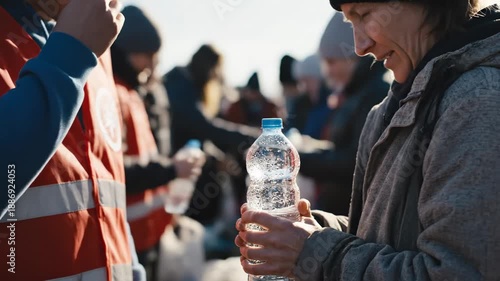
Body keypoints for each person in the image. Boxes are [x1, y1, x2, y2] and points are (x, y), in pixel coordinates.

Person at [236, 1, 500, 280]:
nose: (360, 47)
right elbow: (383, 238)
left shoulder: (478, 102)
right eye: (351, 22)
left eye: (365, 15)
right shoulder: (387, 110)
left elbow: (456, 272)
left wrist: (314, 252)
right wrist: (311, 231)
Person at [0, 0, 145, 280]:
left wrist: (134, 271)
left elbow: (106, 194)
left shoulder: (94, 42)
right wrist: (69, 60)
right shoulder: (80, 46)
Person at [111, 6, 206, 281]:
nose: (153, 66)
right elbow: (113, 170)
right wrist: (171, 169)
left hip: (147, 231)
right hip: (126, 235)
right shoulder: (115, 95)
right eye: (148, 56)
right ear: (128, 52)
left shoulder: (134, 93)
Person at [297, 13, 389, 215]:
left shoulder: (376, 94)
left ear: (353, 57)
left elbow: (353, 162)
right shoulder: (354, 94)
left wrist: (297, 159)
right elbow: (341, 148)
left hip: (355, 217)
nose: (327, 72)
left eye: (331, 62)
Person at [164, 44, 259, 226]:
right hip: (178, 166)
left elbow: (199, 130)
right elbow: (203, 127)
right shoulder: (180, 85)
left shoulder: (185, 83)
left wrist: (217, 156)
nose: (217, 76)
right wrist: (252, 136)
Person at [287, 54, 332, 139]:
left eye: (308, 79)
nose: (305, 85)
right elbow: (291, 126)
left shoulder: (332, 102)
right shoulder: (300, 103)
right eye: (302, 81)